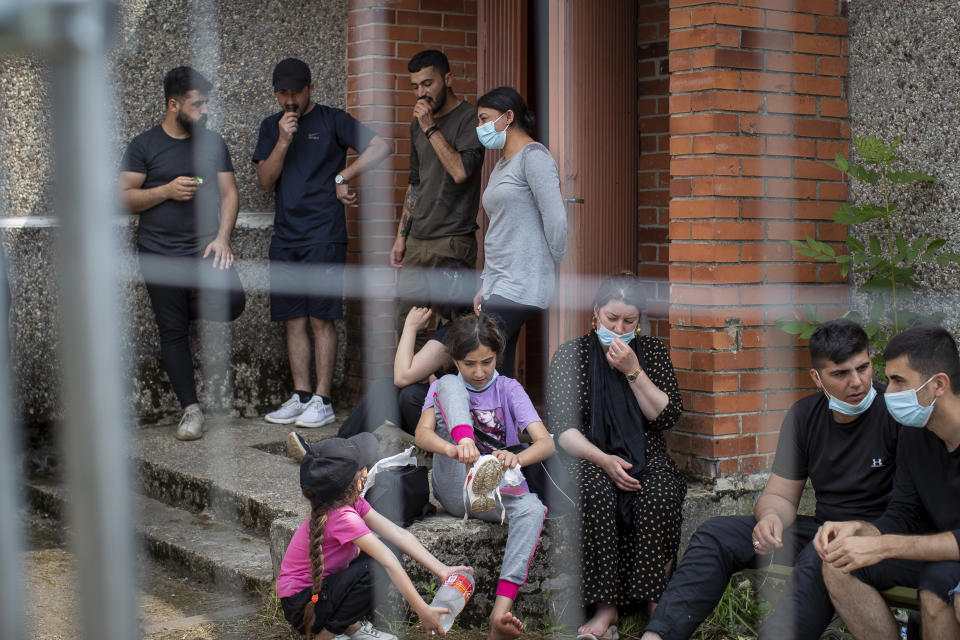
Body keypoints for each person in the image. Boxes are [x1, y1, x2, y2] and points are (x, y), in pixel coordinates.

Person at [639, 318, 900, 640]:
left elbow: (910, 512)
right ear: (816, 378)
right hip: (824, 531)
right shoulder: (805, 416)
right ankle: (659, 635)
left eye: (862, 368)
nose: (857, 382)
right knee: (717, 533)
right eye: (841, 374)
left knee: (820, 553)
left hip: (880, 537)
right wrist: (771, 518)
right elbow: (780, 494)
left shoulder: (895, 412)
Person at [546, 273, 683, 638]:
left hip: (646, 452)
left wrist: (632, 371)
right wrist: (604, 460)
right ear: (595, 314)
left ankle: (655, 600)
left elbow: (666, 415)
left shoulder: (651, 353)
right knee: (596, 492)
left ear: (640, 321)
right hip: (589, 454)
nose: (619, 329)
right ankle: (606, 608)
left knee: (660, 491)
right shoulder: (571, 354)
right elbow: (563, 430)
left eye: (629, 321)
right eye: (611, 319)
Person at [255, 58, 390, 428]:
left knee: (321, 317)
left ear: (309, 88)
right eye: (282, 93)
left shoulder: (332, 119)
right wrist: (283, 139)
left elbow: (380, 146)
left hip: (324, 234)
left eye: (294, 92)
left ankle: (323, 399)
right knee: (292, 318)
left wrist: (342, 175)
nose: (289, 100)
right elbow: (265, 179)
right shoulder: (272, 126)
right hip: (286, 236)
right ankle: (300, 396)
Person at [119, 66, 245, 441]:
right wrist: (165, 191)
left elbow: (230, 195)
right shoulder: (143, 146)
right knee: (171, 330)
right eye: (198, 103)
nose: (205, 110)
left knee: (234, 302)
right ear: (174, 105)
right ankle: (191, 411)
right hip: (159, 254)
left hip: (205, 250)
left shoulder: (212, 143)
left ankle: (175, 310)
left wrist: (223, 238)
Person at [414, 313, 555, 640]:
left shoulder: (510, 388)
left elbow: (546, 443)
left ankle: (500, 613)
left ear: (498, 356)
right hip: (455, 481)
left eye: (487, 362)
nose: (478, 372)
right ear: (455, 359)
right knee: (448, 384)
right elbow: (422, 435)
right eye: (469, 364)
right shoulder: (443, 385)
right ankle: (467, 446)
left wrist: (515, 457)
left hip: (496, 491)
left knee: (533, 509)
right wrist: (455, 448)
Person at [815, 325, 960, 640]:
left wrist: (883, 546)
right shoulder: (914, 432)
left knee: (946, 589)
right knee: (840, 564)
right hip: (941, 557)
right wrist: (859, 530)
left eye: (898, 381)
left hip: (949, 563)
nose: (888, 392)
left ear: (938, 384)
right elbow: (904, 512)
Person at [278, 431, 470, 639]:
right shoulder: (342, 517)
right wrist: (422, 610)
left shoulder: (349, 502)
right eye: (362, 466)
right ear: (358, 482)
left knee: (389, 550)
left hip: (317, 596)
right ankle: (327, 635)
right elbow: (387, 562)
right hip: (304, 606)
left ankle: (349, 627)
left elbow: (398, 535)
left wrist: (443, 570)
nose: (366, 468)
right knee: (376, 567)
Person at [391, 50, 484, 341]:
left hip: (453, 241)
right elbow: (415, 182)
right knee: (408, 326)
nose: (421, 93)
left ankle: (450, 386)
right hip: (418, 240)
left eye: (428, 84)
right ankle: (417, 386)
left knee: (455, 329)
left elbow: (460, 171)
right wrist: (401, 235)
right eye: (415, 86)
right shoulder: (416, 124)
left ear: (448, 79)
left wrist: (430, 127)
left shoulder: (470, 119)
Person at [474, 86, 566, 376]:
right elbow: (500, 229)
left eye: (484, 118)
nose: (480, 127)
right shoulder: (501, 165)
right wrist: (485, 283)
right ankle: (507, 421)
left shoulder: (534, 156)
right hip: (499, 283)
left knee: (477, 354)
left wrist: (553, 263)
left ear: (508, 116)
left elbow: (556, 219)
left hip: (522, 283)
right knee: (499, 367)